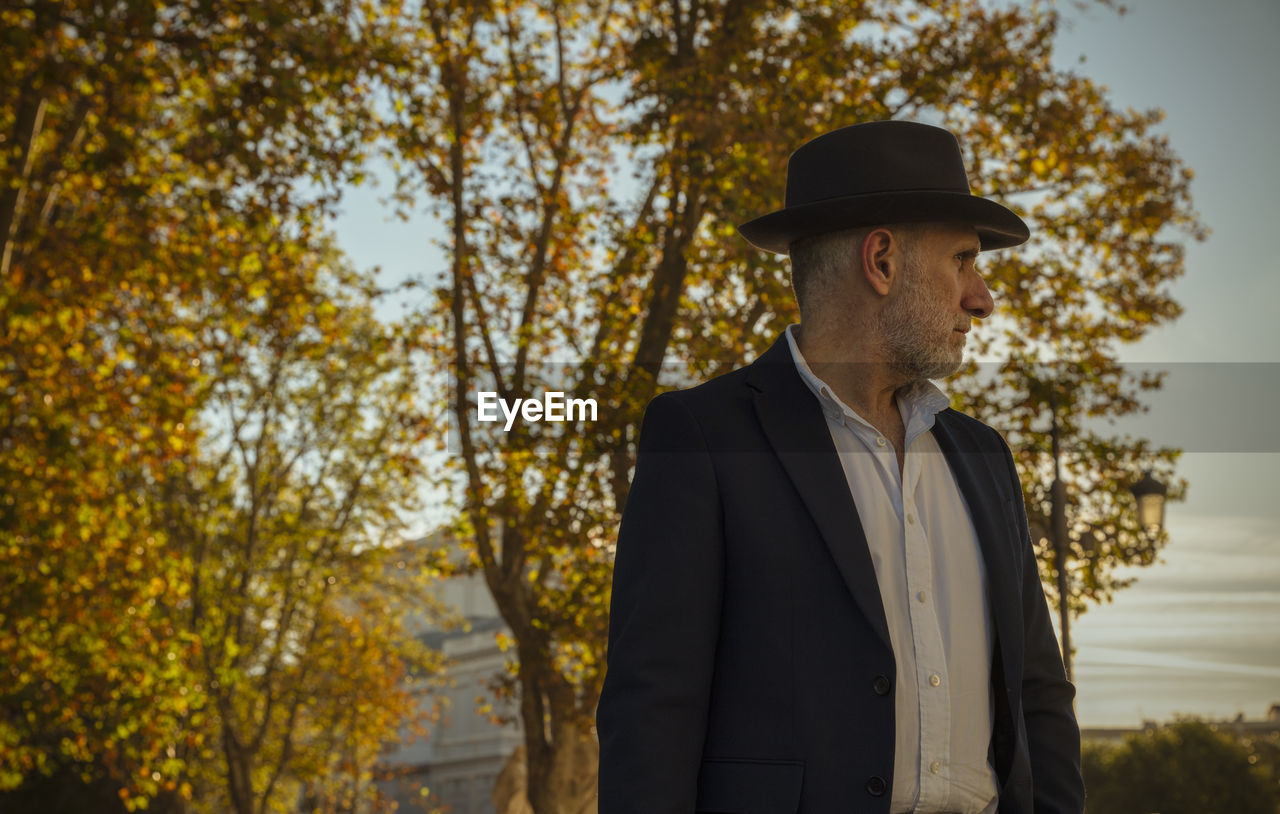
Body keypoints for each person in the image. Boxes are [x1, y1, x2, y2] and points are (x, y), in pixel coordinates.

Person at [595, 121, 1084, 814]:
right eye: (963, 261)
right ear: (881, 261)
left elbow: (1039, 695)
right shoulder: (703, 438)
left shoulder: (984, 459)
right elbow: (653, 714)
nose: (982, 297)